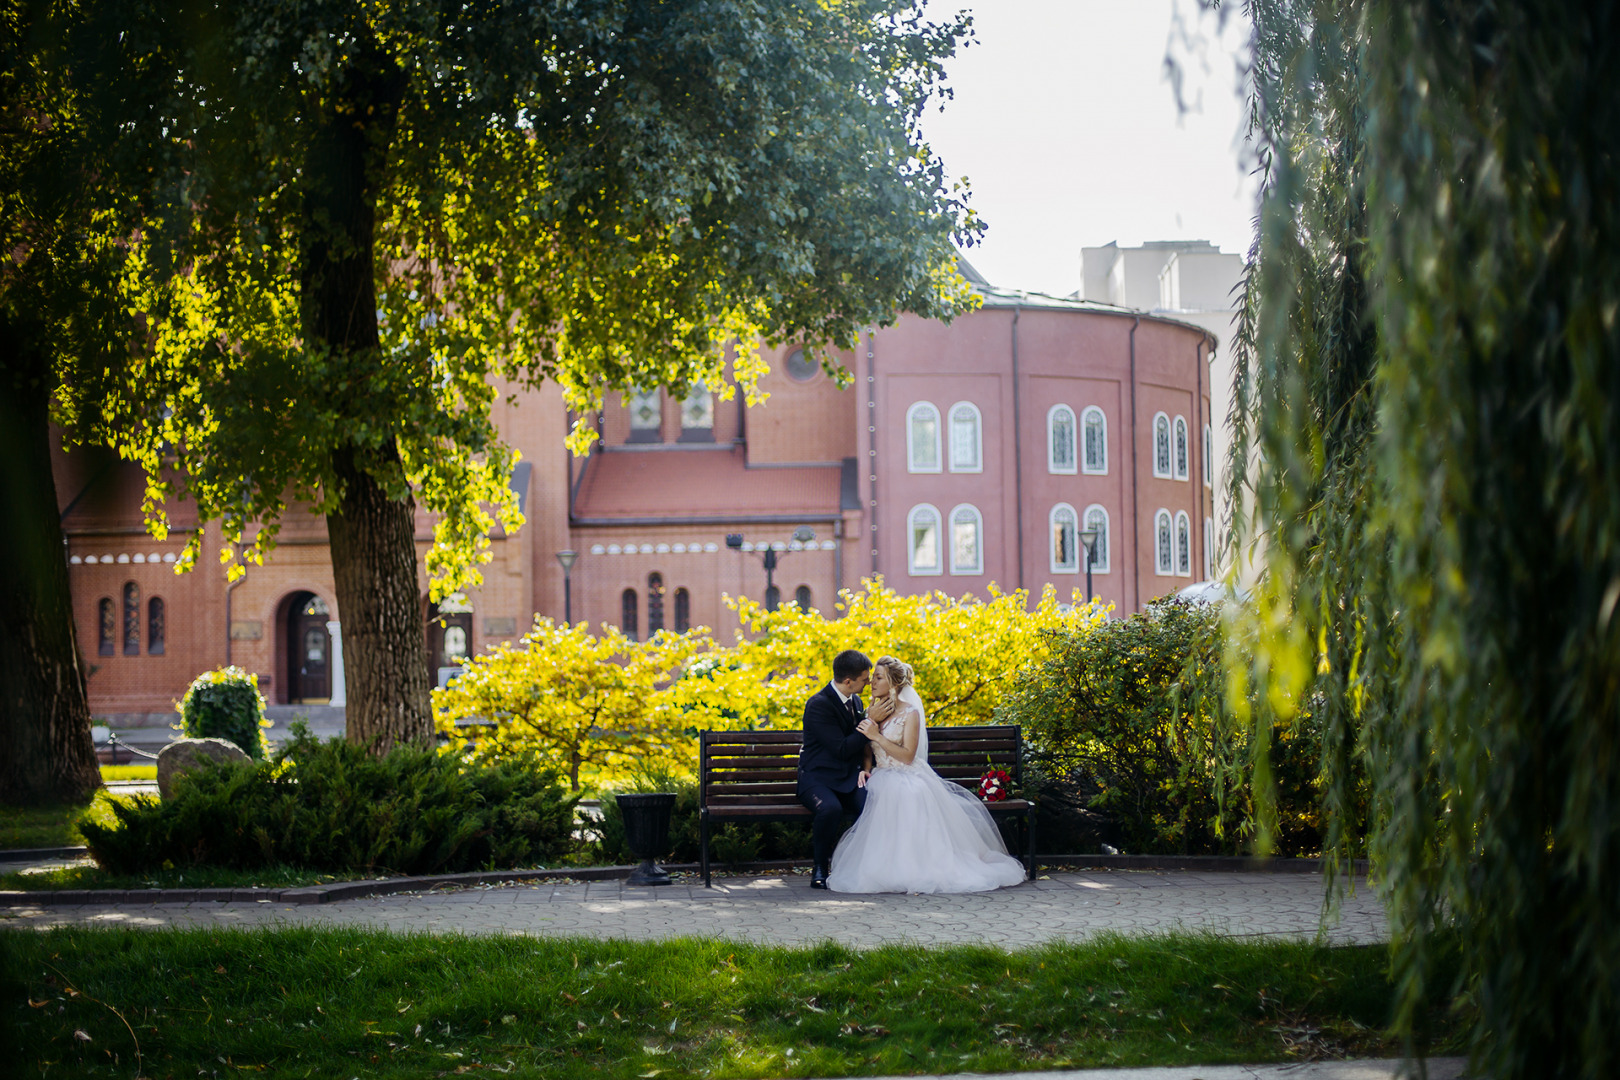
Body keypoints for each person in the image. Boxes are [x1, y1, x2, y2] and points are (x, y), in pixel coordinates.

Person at [826, 655, 1027, 894]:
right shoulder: (871, 709)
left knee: (909, 795)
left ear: (893, 683)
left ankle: (919, 868)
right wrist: (866, 770)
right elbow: (867, 749)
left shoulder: (910, 713)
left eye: (878, 678)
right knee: (877, 798)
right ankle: (887, 867)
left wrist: (877, 735)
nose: (871, 683)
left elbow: (908, 755)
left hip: (906, 773)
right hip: (881, 774)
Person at [796, 649, 895, 889]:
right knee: (830, 809)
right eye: (864, 679)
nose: (868, 682)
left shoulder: (857, 700)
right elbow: (841, 748)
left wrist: (864, 768)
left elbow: (860, 745)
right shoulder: (818, 705)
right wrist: (870, 721)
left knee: (872, 805)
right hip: (817, 778)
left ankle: (868, 868)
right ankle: (820, 866)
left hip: (848, 778)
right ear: (848, 681)